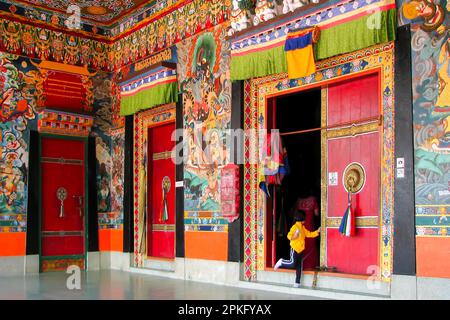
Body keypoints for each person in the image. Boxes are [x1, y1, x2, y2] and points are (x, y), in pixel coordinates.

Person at [274, 209, 320, 287]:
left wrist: (317, 232)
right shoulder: (295, 227)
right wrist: (294, 236)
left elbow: (309, 234)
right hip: (294, 249)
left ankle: (297, 282)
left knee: (299, 267)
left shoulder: (302, 228)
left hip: (301, 250)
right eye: (304, 218)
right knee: (292, 264)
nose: (305, 220)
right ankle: (281, 262)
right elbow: (289, 236)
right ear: (302, 219)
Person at [294, 189, 320, 270]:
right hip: (309, 225)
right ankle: (310, 265)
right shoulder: (313, 200)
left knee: (301, 244)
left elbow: (295, 213)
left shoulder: (298, 200)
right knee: (310, 244)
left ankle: (301, 265)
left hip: (300, 226)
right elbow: (317, 213)